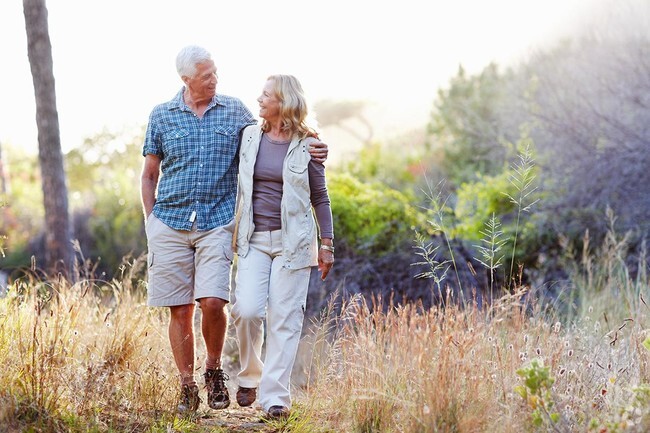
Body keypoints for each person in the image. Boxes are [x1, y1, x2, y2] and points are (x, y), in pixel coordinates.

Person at [140, 46, 328, 414]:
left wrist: (314, 145)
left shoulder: (235, 111)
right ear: (186, 79)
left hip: (217, 223)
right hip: (170, 223)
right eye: (206, 75)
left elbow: (276, 135)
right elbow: (149, 174)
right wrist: (151, 221)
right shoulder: (161, 116)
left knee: (213, 303)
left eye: (215, 72)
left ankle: (213, 370)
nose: (214, 79)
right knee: (180, 310)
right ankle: (186, 385)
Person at [230, 74, 335, 420]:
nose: (259, 99)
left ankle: (275, 398)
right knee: (246, 310)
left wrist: (327, 243)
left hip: (294, 243)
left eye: (266, 95)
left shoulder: (308, 144)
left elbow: (320, 197)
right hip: (253, 240)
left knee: (285, 320)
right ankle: (249, 376)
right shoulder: (248, 136)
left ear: (284, 102)